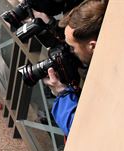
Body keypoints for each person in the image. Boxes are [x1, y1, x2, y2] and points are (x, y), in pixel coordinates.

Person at [42, 0, 106, 136]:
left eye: (72, 47)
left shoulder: (108, 82)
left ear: (93, 46)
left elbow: (81, 131)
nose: (70, 52)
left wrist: (62, 93)